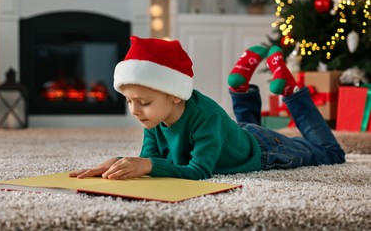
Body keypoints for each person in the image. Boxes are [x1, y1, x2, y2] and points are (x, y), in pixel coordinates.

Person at [69, 36, 345, 181]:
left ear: (175, 95)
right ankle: (240, 89)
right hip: (235, 136)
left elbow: (199, 170)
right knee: (241, 132)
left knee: (332, 154)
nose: (135, 110)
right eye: (129, 101)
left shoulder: (206, 116)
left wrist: (148, 165)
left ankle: (290, 92)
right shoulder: (153, 118)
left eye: (143, 102)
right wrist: (117, 162)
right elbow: (153, 161)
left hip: (266, 150)